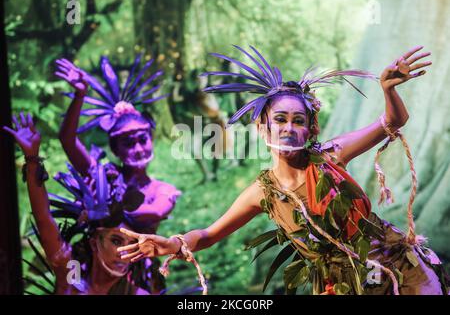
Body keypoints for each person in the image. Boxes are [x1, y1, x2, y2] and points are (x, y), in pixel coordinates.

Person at [116, 45, 448, 295]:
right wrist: (171, 244)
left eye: (298, 121)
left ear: (310, 129)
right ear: (262, 129)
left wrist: (388, 90)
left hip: (400, 268)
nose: (289, 128)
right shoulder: (263, 192)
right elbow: (208, 235)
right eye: (280, 119)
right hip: (342, 288)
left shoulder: (331, 156)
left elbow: (392, 122)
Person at [54, 56, 182, 292]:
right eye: (128, 143)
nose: (138, 149)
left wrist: (104, 209)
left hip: (134, 280)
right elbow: (67, 140)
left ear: (151, 140)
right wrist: (80, 95)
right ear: (115, 149)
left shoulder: (161, 190)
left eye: (142, 140)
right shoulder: (103, 177)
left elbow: (155, 211)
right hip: (93, 275)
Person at [3, 113, 152, 294]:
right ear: (94, 243)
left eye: (132, 245)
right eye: (116, 240)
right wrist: (33, 159)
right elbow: (43, 217)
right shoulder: (70, 276)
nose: (125, 252)